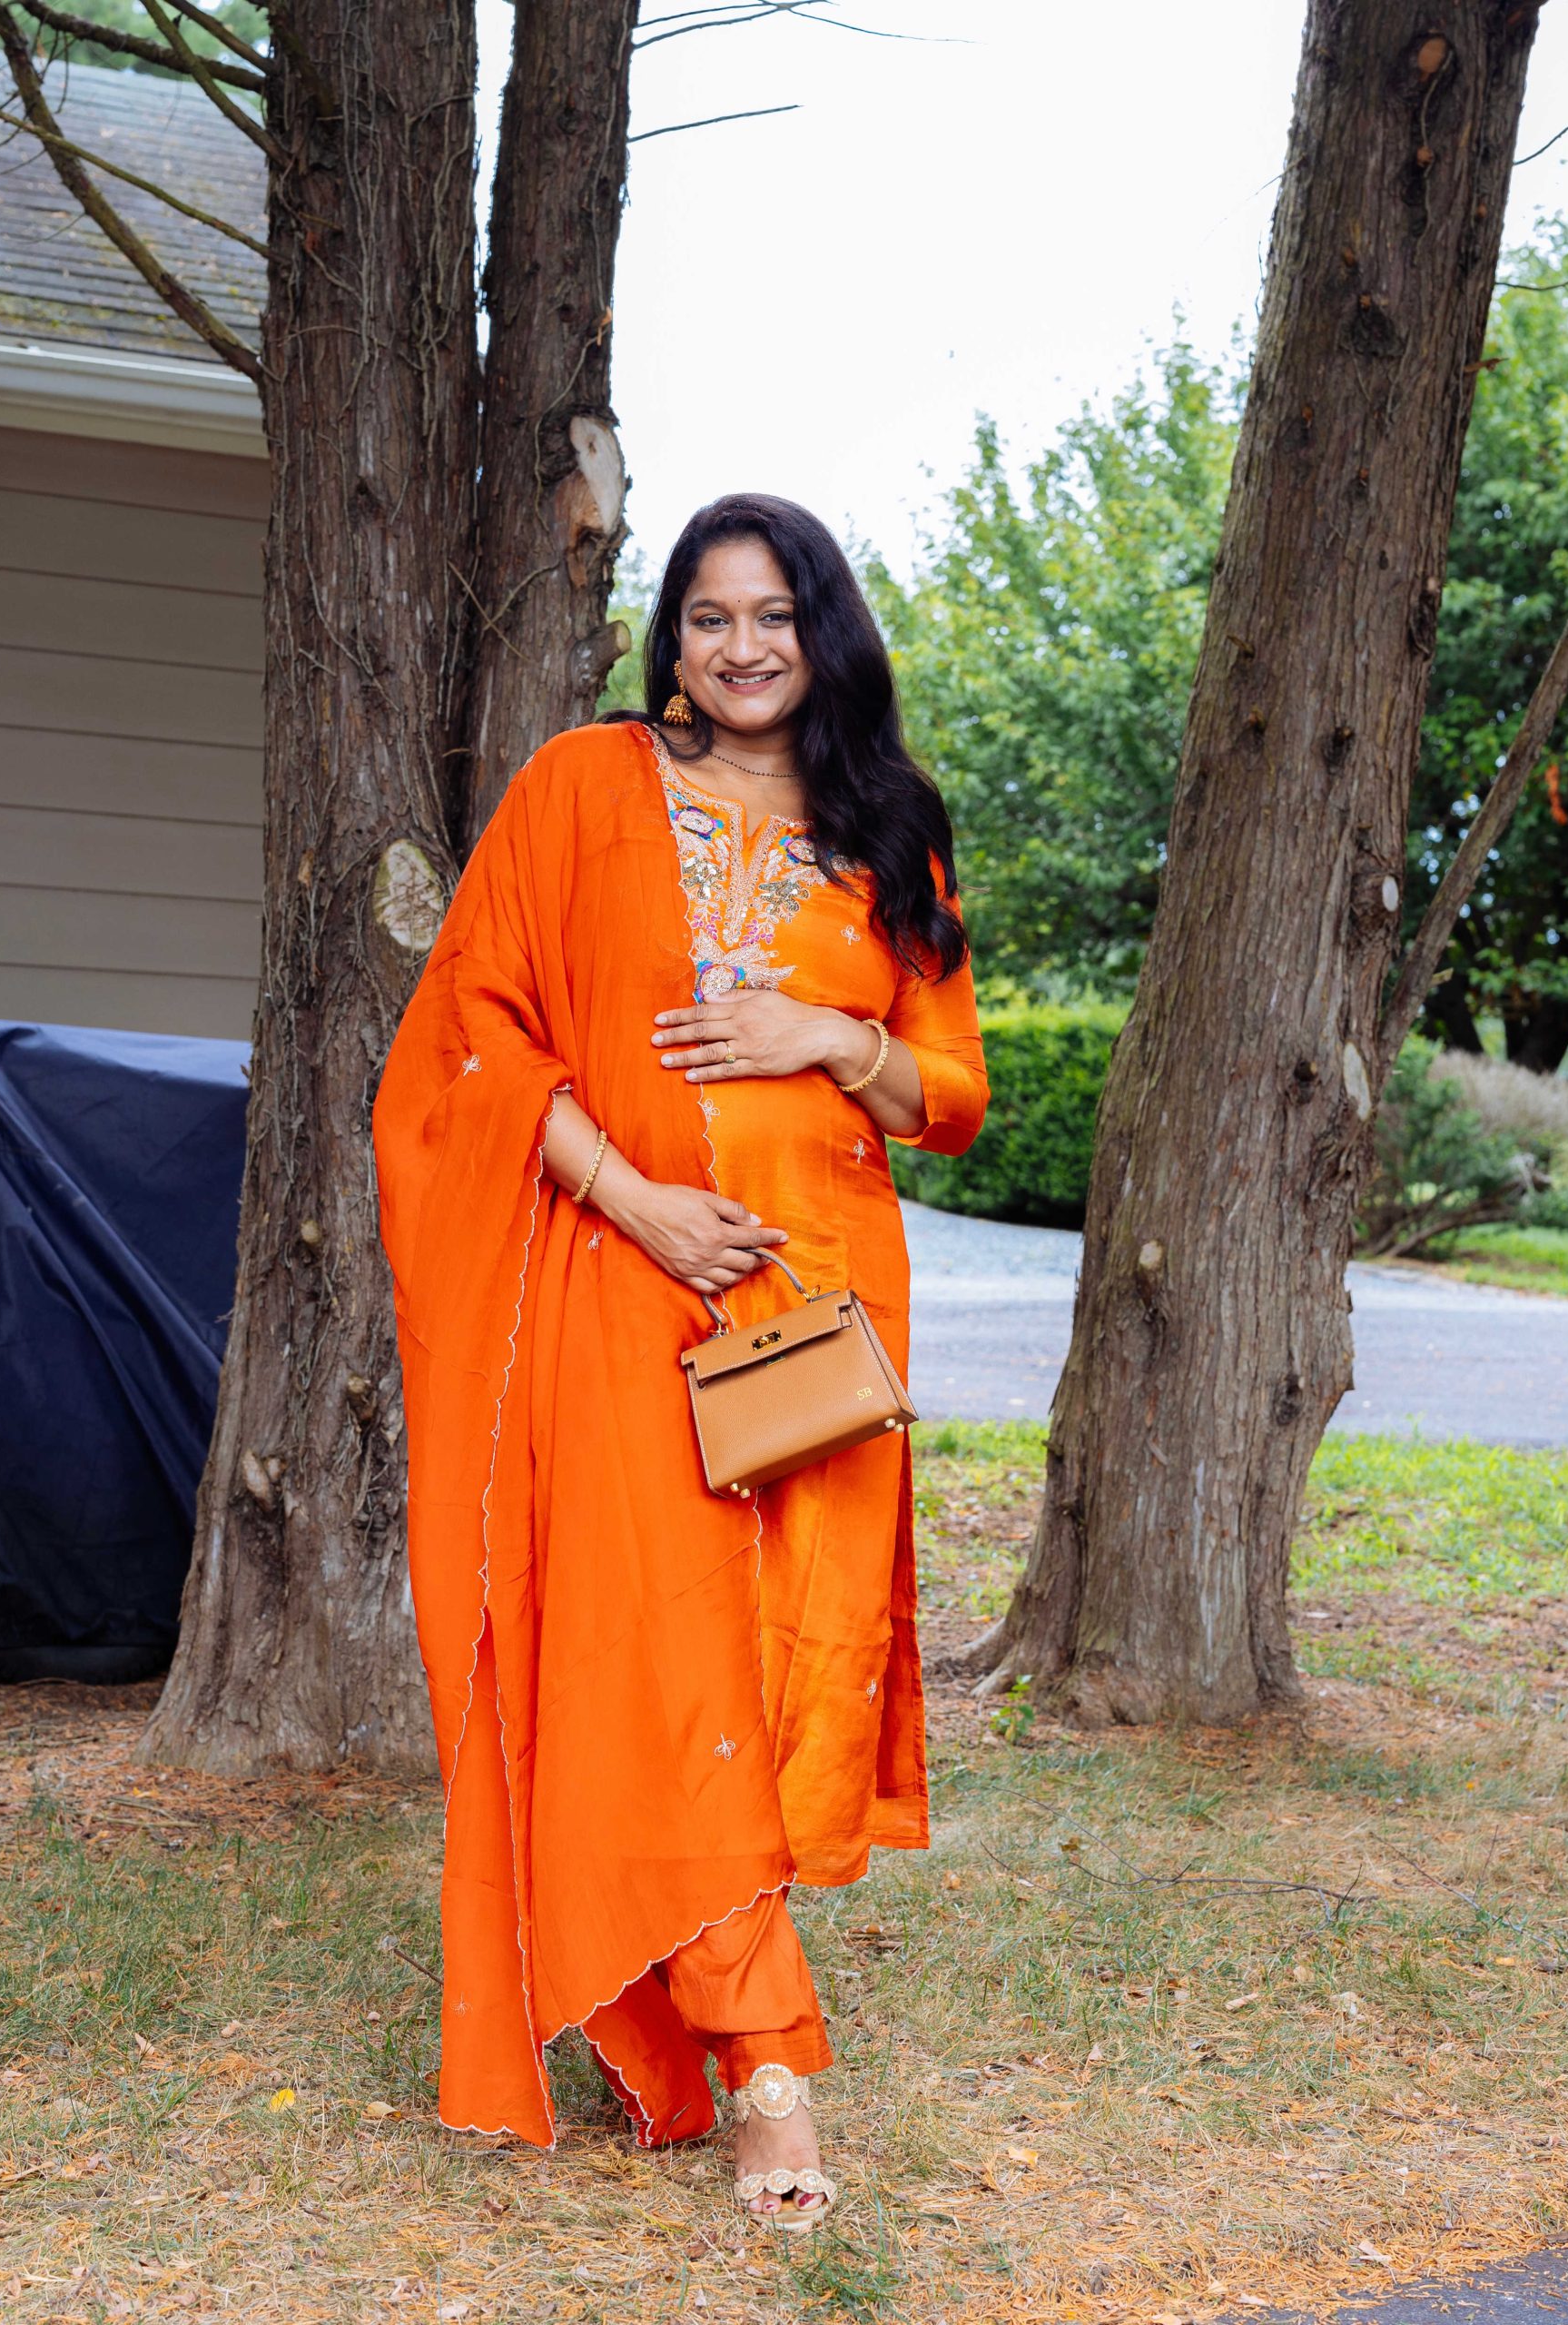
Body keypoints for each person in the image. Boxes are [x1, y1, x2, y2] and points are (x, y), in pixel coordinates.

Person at [372, 492, 987, 2231]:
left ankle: (704, 1987)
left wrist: (831, 1032)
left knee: (788, 1675)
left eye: (774, 617)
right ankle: (769, 2073)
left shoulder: (889, 825)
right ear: (673, 635)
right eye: (709, 618)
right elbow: (469, 1047)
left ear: (824, 632)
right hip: (627, 1285)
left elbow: (952, 1095)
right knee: (664, 1665)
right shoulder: (584, 787)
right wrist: (638, 1202)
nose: (741, 649)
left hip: (820, 1308)